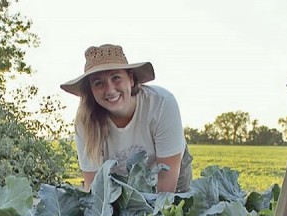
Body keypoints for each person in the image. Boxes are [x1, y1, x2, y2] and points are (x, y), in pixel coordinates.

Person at [60, 44, 192, 193]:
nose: (110, 90)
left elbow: (166, 181)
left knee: (175, 212)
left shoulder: (162, 103)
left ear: (131, 79)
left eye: (116, 78)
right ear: (91, 90)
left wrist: (161, 214)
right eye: (99, 83)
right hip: (122, 182)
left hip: (170, 171)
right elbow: (94, 187)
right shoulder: (85, 123)